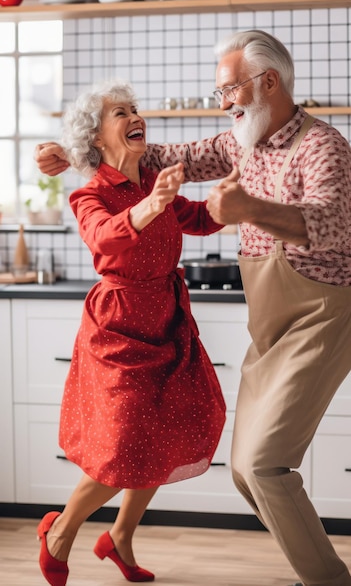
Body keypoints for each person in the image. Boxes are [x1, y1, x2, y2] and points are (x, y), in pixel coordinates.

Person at [35, 29, 351, 586]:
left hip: (313, 312)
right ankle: (99, 533)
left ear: (267, 83)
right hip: (216, 323)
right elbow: (151, 168)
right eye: (218, 93)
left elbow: (331, 226)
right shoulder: (235, 143)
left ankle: (323, 578)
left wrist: (239, 206)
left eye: (228, 90)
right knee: (222, 467)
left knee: (237, 459)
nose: (223, 102)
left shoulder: (322, 145)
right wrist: (73, 151)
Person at [36, 79, 226, 586]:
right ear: (97, 137)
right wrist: (152, 205)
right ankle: (60, 532)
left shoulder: (151, 180)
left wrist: (232, 205)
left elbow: (201, 218)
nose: (134, 116)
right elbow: (105, 238)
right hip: (118, 328)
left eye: (134, 108)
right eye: (120, 112)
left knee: (162, 436)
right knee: (120, 444)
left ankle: (119, 537)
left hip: (165, 319)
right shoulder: (90, 193)